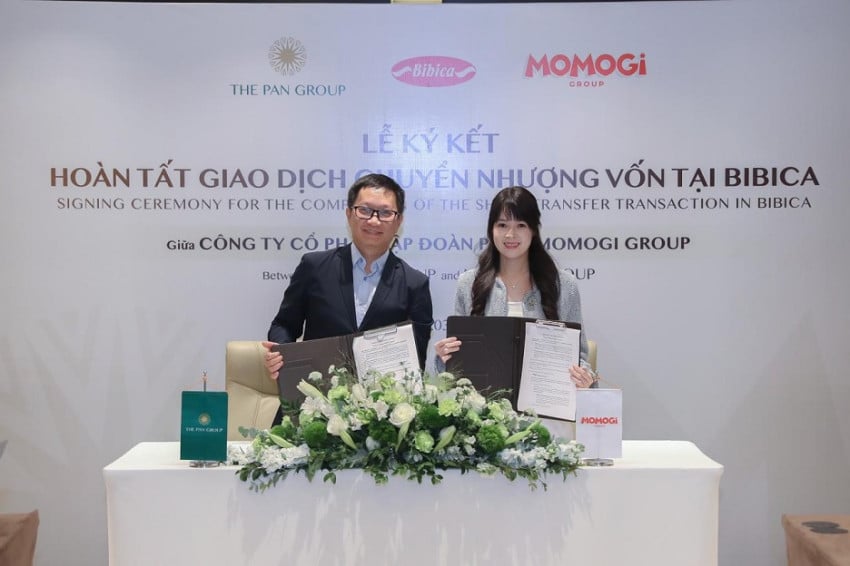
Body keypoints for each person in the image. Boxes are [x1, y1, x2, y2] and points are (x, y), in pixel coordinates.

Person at [262, 174, 434, 415]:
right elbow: (284, 324)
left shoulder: (415, 284)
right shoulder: (314, 267)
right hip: (311, 405)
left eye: (385, 213)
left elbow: (415, 362)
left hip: (378, 416)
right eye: (365, 210)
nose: (374, 221)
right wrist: (283, 355)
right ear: (349, 214)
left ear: (399, 221)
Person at [434, 186, 596, 389]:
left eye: (521, 225)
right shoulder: (468, 283)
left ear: (534, 230)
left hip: (545, 403)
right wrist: (444, 358)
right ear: (491, 230)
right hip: (485, 404)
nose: (511, 234)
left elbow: (579, 357)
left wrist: (585, 377)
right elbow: (459, 366)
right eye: (502, 225)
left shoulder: (563, 285)